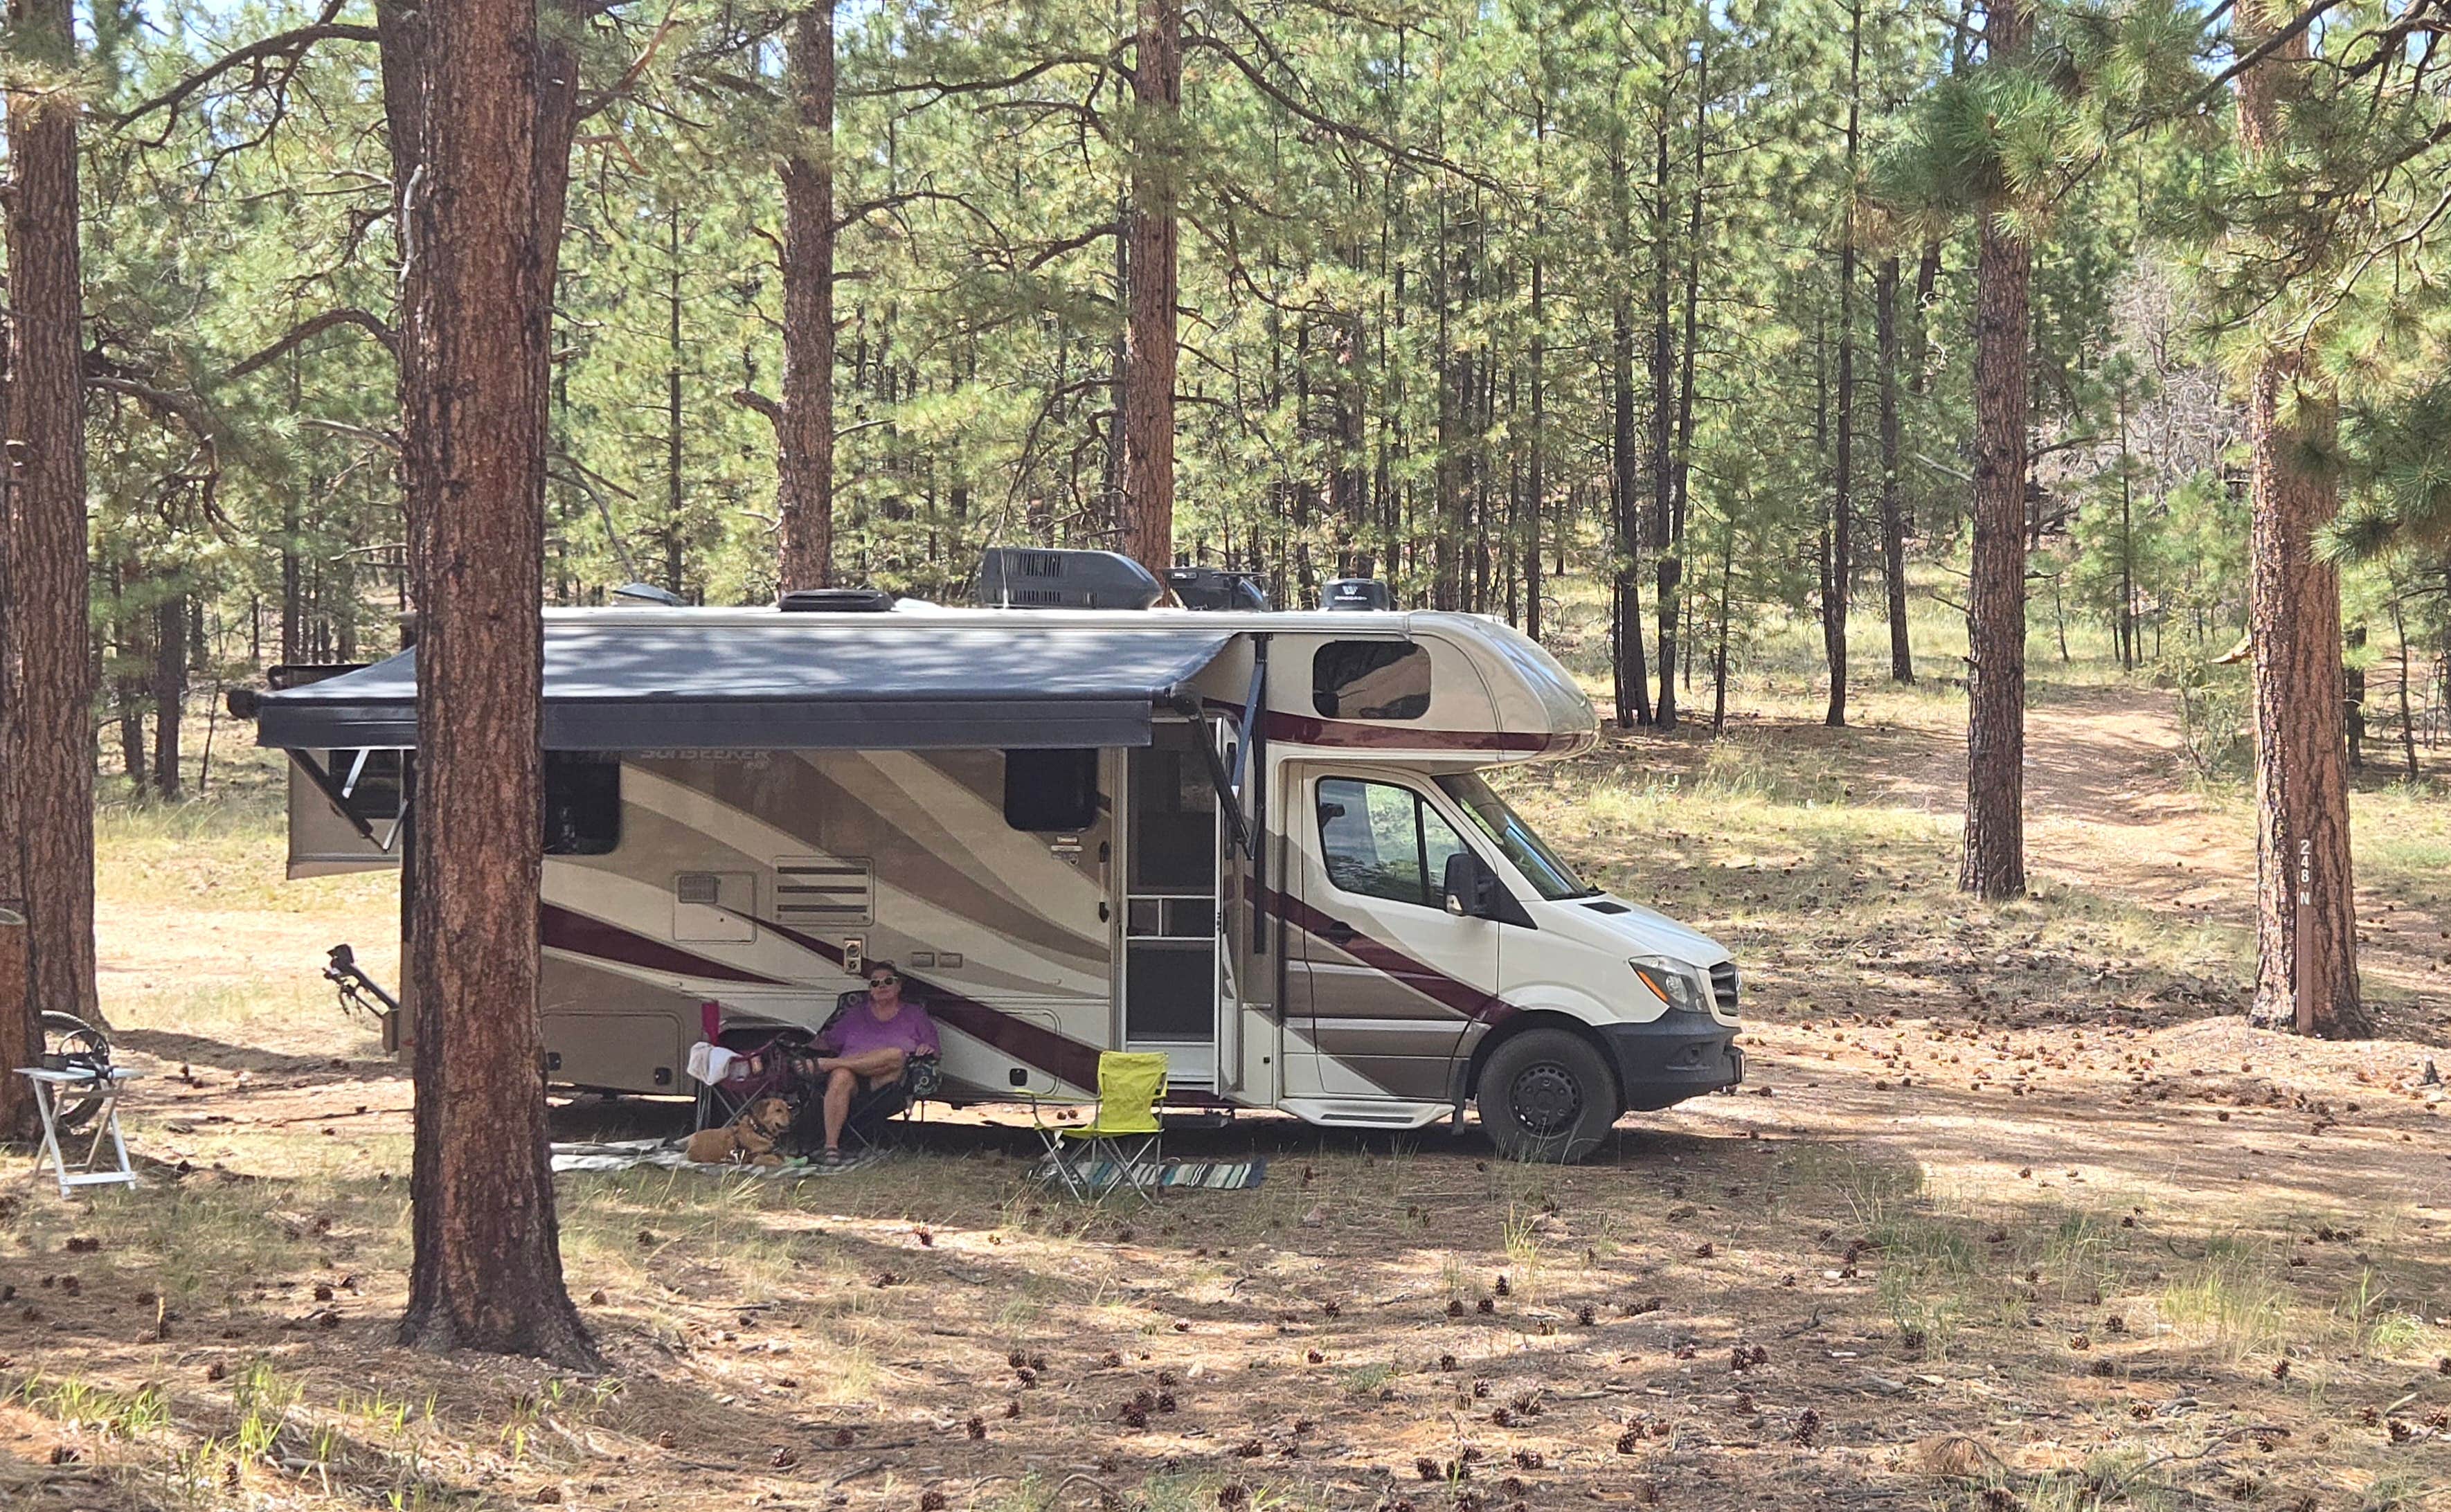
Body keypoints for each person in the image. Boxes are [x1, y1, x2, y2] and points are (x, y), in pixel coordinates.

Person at [802, 962, 939, 1164]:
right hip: (852, 1085)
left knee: (896, 1055)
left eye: (888, 981)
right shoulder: (855, 1014)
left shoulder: (915, 1014)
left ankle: (828, 1064)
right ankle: (831, 1147)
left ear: (899, 986)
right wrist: (800, 1048)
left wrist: (926, 1047)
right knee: (841, 1074)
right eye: (875, 983)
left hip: (885, 1083)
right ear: (871, 990)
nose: (881, 986)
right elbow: (827, 1041)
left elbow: (934, 1048)